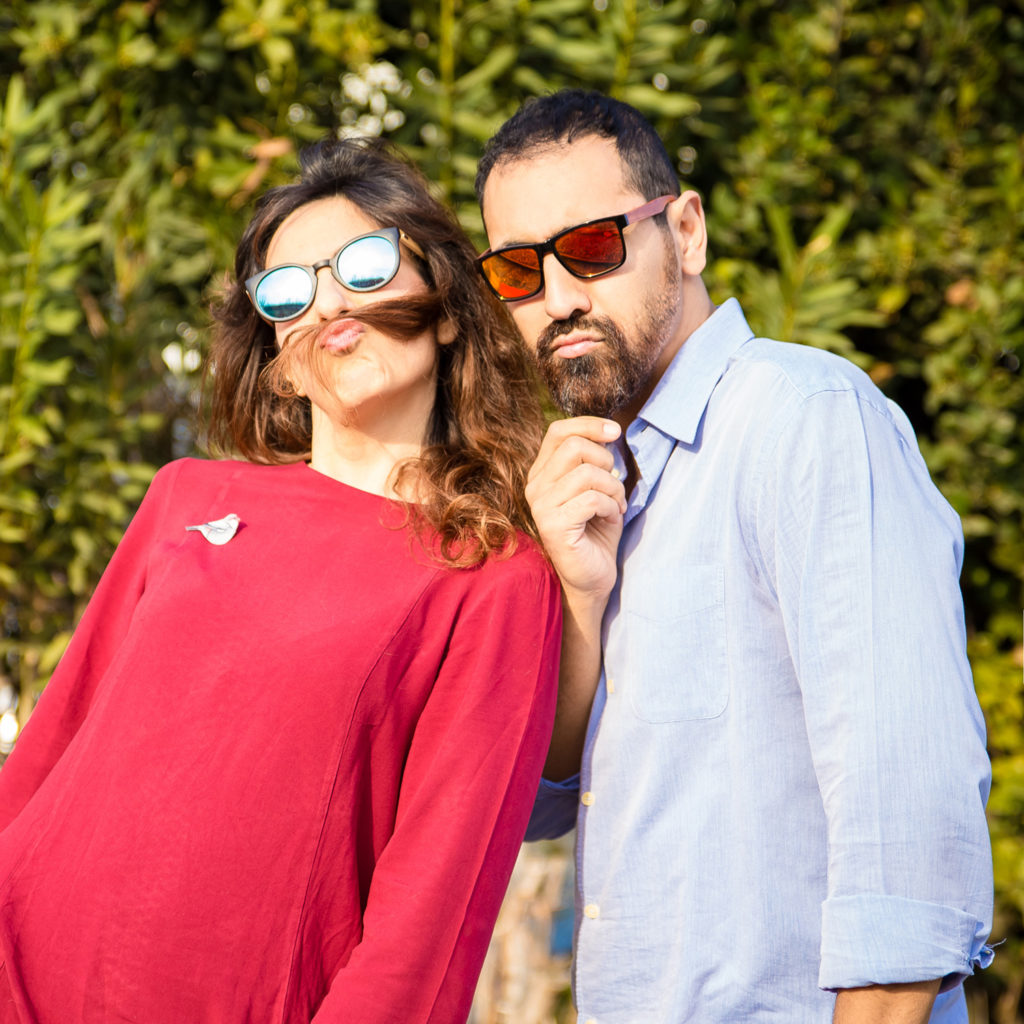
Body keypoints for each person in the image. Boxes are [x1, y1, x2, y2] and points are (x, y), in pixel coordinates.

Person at [0, 136, 561, 1023]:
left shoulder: (494, 575)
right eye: (288, 291)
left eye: (364, 264)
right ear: (280, 359)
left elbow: (430, 923)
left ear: (447, 308)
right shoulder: (187, 497)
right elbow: (48, 749)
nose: (329, 301)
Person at [474, 89, 993, 1024]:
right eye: (518, 269)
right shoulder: (593, 485)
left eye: (591, 246)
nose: (558, 299)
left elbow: (907, 832)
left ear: (686, 232)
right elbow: (544, 808)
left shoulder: (804, 421)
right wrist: (579, 603)